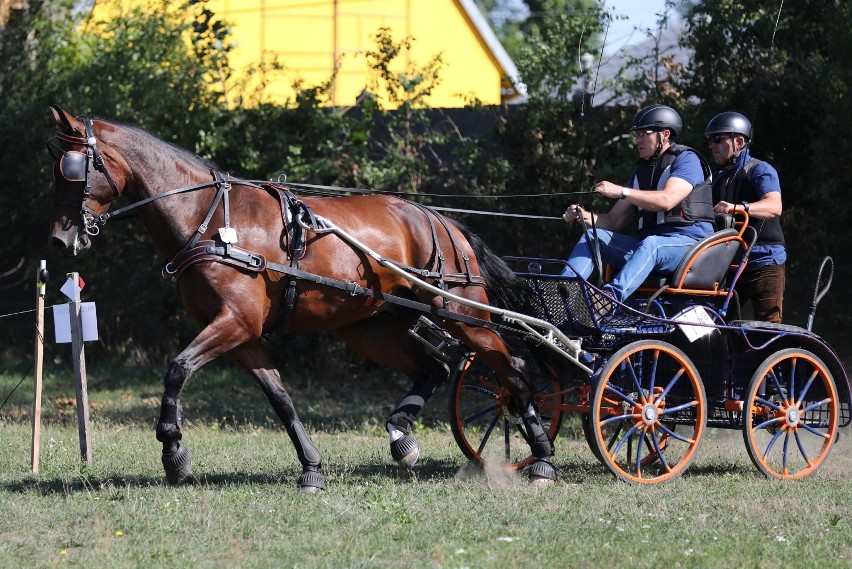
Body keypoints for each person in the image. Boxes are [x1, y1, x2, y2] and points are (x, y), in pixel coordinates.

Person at [560, 104, 715, 304]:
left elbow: (668, 200)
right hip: (649, 247)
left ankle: (607, 301)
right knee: (593, 237)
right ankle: (563, 294)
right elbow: (613, 221)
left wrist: (621, 191)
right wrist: (582, 216)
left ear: (665, 134)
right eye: (637, 134)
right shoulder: (641, 171)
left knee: (652, 244)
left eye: (644, 133)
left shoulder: (687, 160)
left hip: (690, 245)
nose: (638, 140)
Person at [706, 111, 785, 322]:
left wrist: (737, 208)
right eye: (710, 140)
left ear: (739, 141)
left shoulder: (760, 170)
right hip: (731, 264)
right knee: (719, 324)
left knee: (768, 326)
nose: (711, 145)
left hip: (765, 260)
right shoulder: (720, 179)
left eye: (717, 139)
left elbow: (774, 206)